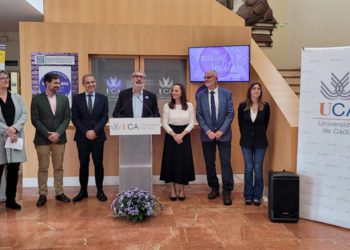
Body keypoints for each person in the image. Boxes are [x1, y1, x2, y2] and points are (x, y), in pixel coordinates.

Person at [31, 72, 71, 207]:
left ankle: (59, 192)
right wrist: (48, 134)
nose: (58, 85)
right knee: (43, 168)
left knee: (58, 167)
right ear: (47, 83)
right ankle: (42, 194)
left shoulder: (64, 99)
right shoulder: (36, 99)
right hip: (42, 139)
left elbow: (67, 118)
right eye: (55, 83)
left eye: (59, 83)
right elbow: (35, 120)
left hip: (59, 139)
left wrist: (58, 133)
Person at [196, 70, 234, 206]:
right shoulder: (200, 95)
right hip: (207, 137)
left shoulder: (226, 93)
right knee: (209, 163)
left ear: (216, 78)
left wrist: (221, 131)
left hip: (224, 136)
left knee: (225, 163)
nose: (206, 79)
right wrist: (208, 131)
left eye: (209, 77)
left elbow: (230, 114)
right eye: (205, 77)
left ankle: (227, 191)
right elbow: (199, 115)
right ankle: (214, 188)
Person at [71, 74, 109, 202]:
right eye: (88, 82)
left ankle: (100, 190)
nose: (91, 84)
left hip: (98, 137)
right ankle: (83, 191)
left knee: (98, 165)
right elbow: (75, 118)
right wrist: (86, 132)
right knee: (83, 165)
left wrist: (94, 131)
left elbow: (105, 117)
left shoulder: (103, 98)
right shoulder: (76, 99)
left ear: (95, 83)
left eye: (93, 82)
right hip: (82, 138)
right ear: (83, 84)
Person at [160, 83, 195, 201]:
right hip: (171, 136)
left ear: (182, 92)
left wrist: (182, 135)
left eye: (176, 90)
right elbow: (164, 123)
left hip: (185, 136)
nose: (173, 92)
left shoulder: (189, 105)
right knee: (171, 163)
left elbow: (191, 122)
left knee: (184, 163)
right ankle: (173, 191)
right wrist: (174, 135)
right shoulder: (167, 106)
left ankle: (182, 190)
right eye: (172, 90)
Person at [238, 82, 270, 206]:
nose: (256, 90)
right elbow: (241, 125)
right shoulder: (242, 106)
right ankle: (248, 195)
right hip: (246, 142)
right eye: (254, 88)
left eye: (258, 89)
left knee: (257, 168)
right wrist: (247, 135)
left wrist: (258, 134)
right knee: (248, 168)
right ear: (250, 91)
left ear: (261, 92)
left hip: (261, 142)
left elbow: (265, 124)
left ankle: (257, 196)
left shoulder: (266, 106)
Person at [0, 71, 27, 209]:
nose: (6, 80)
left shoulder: (16, 97)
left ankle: (11, 200)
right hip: (1, 138)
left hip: (15, 138)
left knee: (13, 169)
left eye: (7, 78)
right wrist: (7, 130)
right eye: (2, 78)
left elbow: (23, 114)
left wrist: (14, 129)